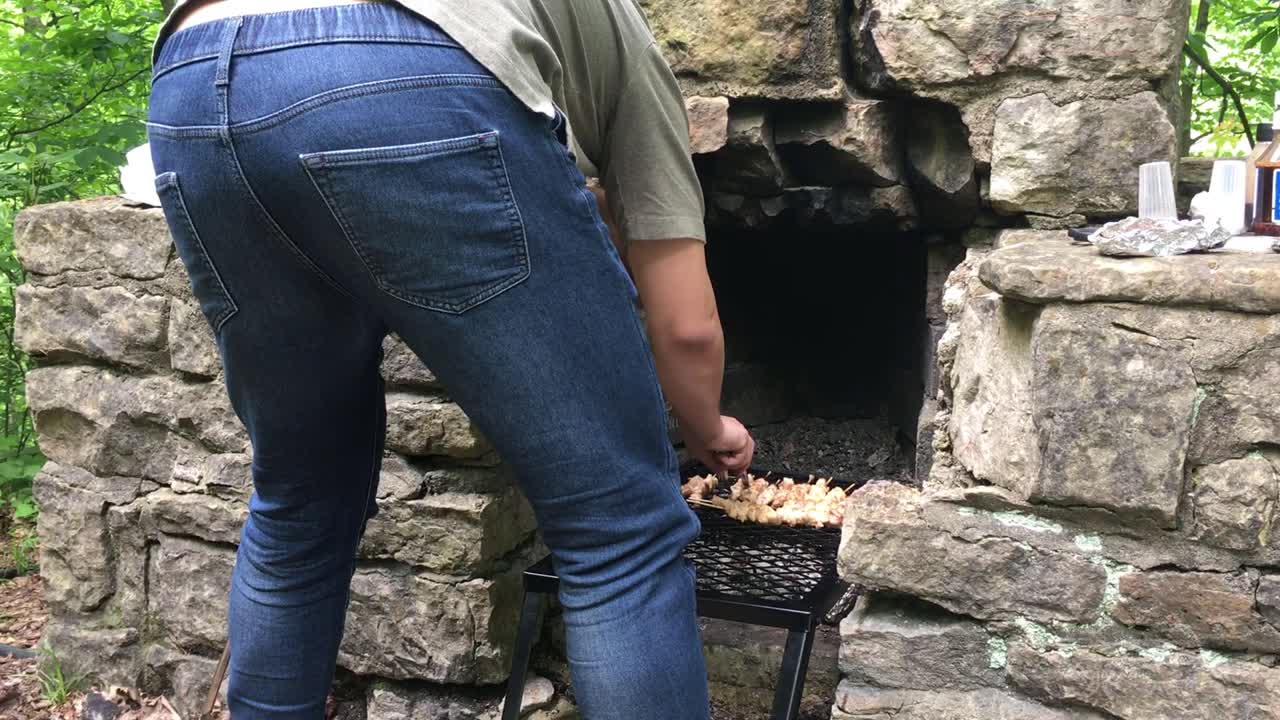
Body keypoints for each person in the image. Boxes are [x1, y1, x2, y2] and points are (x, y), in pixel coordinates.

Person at [147, 0, 755, 718]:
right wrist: (708, 426)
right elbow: (686, 324)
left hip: (190, 82)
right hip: (402, 73)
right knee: (620, 532)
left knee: (297, 510)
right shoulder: (622, 37)